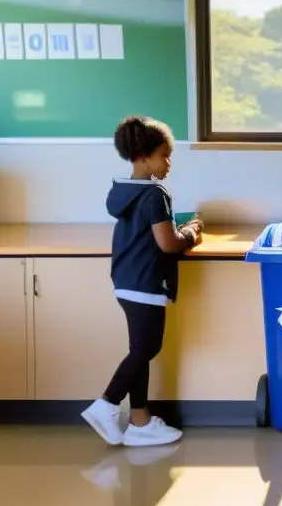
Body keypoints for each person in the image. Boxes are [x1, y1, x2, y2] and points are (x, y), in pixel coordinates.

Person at [81, 116, 203, 447]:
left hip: (125, 279)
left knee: (140, 350)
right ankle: (106, 404)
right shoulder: (154, 195)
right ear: (143, 156)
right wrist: (191, 233)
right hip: (146, 282)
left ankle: (140, 421)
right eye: (164, 155)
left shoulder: (123, 191)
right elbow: (168, 243)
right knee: (147, 349)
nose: (168, 163)